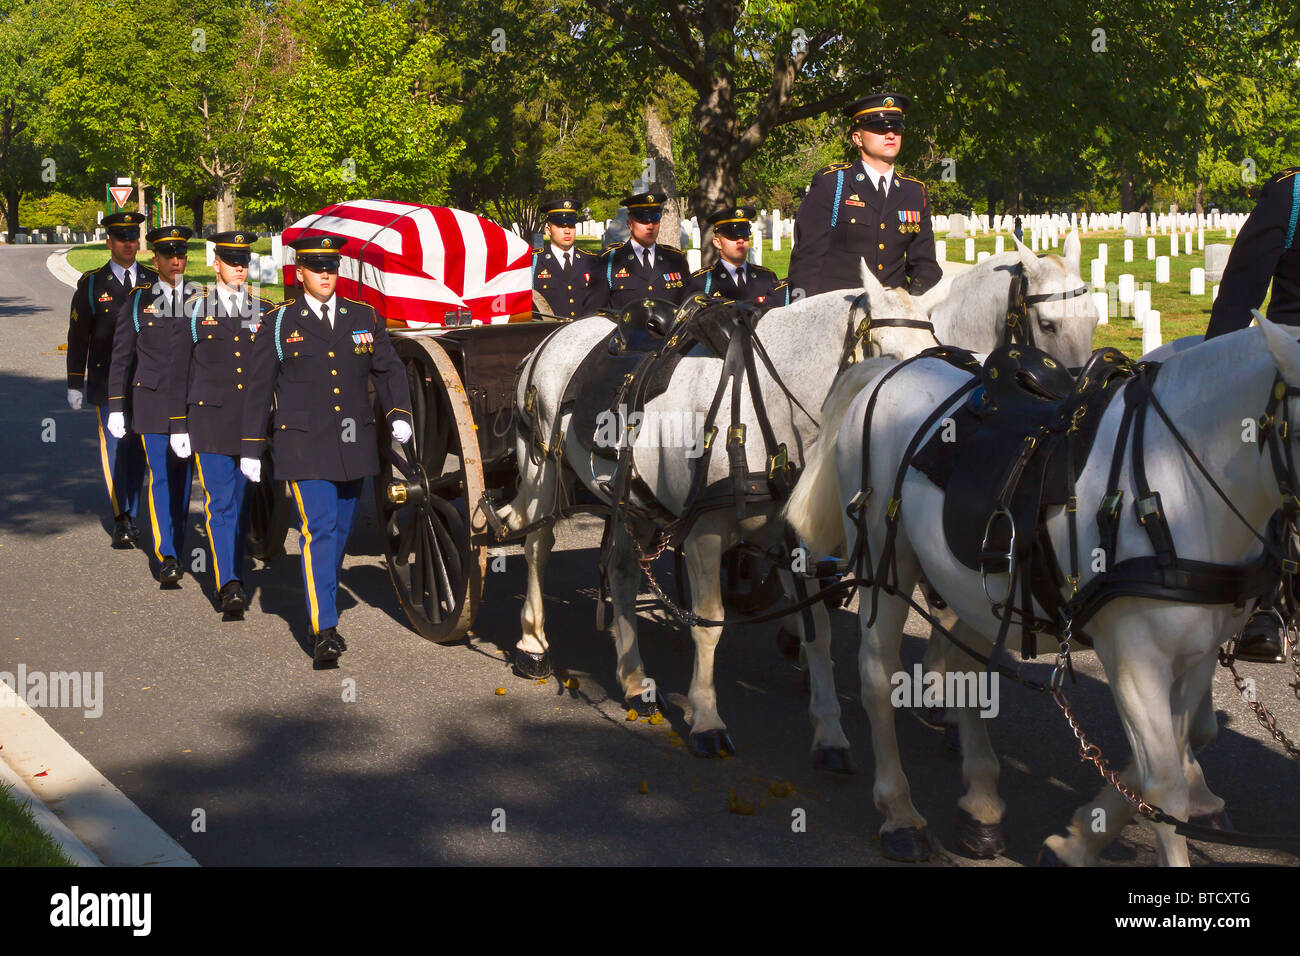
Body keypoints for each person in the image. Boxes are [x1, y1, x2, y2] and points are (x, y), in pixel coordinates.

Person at [239, 235, 413, 665]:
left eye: (331, 268)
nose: (325, 275)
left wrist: (399, 413)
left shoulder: (364, 317)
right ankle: (324, 630)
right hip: (301, 445)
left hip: (353, 445)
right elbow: (259, 387)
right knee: (318, 529)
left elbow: (389, 370)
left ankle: (325, 598)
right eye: (316, 268)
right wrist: (250, 446)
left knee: (339, 530)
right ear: (300, 274)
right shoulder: (280, 323)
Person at [1205, 165, 1300, 663]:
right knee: (1270, 456)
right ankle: (1269, 601)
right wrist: (1212, 373)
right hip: (1294, 361)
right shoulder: (1293, 193)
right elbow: (1241, 291)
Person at [170, 231, 275, 615]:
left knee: (244, 503)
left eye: (244, 261)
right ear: (215, 264)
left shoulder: (264, 309)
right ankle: (229, 582)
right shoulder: (194, 309)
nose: (239, 268)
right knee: (220, 502)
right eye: (232, 261)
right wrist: (178, 425)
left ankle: (234, 564)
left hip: (250, 425)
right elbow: (178, 371)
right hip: (209, 420)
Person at [106, 225, 196, 587]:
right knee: (160, 477)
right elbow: (121, 357)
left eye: (181, 255)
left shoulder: (200, 300)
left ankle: (179, 540)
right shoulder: (138, 301)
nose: (176, 261)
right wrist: (115, 405)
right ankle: (167, 555)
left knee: (184, 481)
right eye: (168, 256)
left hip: (190, 406)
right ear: (154, 259)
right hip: (152, 402)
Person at [787, 92, 940, 301]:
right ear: (857, 138)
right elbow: (807, 259)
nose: (890, 135)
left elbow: (925, 264)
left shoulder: (914, 191)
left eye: (896, 128)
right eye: (879, 129)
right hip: (840, 313)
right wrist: (802, 310)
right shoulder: (832, 183)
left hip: (893, 316)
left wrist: (919, 306)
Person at [67, 210, 156, 548]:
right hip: (107, 382)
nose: (129, 243)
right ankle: (123, 517)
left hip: (147, 382)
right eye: (122, 238)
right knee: (117, 448)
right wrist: (75, 382)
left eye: (133, 237)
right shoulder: (92, 284)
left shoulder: (153, 280)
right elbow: (78, 337)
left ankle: (133, 508)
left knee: (138, 450)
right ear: (109, 242)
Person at [587, 191, 689, 311]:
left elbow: (687, 307)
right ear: (630, 224)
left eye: (655, 220)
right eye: (644, 221)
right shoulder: (609, 260)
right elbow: (594, 311)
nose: (650, 226)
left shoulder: (675, 259)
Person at [685, 206, 783, 305]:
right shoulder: (702, 281)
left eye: (745, 236)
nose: (740, 241)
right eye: (733, 237)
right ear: (717, 243)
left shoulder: (766, 277)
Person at [533, 198, 599, 319]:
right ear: (548, 230)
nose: (567, 231)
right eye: (560, 226)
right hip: (549, 334)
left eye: (571, 226)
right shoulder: (534, 261)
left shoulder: (591, 260)